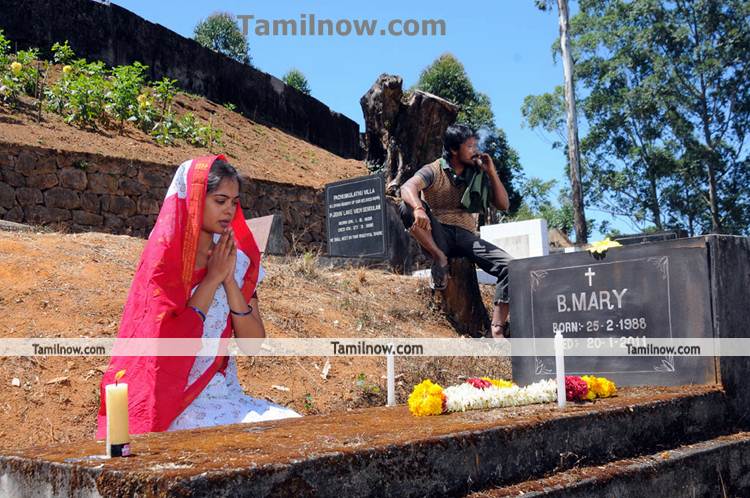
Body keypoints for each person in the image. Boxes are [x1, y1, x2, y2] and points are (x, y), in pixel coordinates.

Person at [96, 155, 299, 438]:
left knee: (295, 428)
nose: (229, 210)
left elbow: (253, 344)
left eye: (234, 202)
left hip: (223, 391)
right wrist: (212, 278)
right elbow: (168, 344)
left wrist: (229, 281)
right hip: (175, 400)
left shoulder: (239, 261)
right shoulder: (165, 264)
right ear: (193, 200)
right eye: (220, 201)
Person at [399, 124, 514, 338]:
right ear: (453, 150)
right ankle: (439, 257)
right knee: (404, 207)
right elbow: (407, 187)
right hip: (437, 232)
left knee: (510, 266)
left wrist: (491, 171)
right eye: (469, 146)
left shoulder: (477, 173)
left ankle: (497, 328)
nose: (475, 150)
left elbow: (503, 204)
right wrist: (418, 208)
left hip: (466, 236)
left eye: (476, 145)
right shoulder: (434, 169)